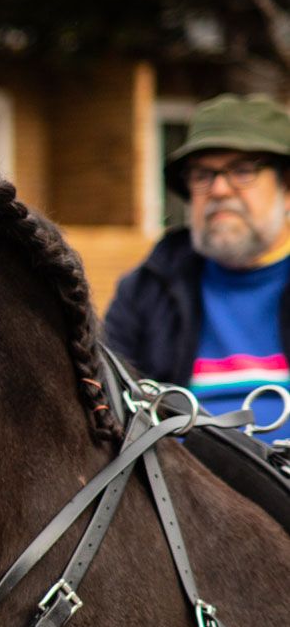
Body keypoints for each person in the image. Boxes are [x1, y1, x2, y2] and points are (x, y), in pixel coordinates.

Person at [106, 94, 290, 440]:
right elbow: (108, 404)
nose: (218, 189)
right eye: (202, 175)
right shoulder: (148, 288)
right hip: (175, 489)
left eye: (242, 171)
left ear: (286, 186)